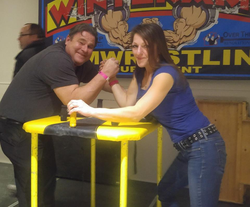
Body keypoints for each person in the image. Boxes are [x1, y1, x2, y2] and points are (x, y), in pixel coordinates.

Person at [67, 23, 227, 207]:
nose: (139, 52)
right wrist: (112, 80)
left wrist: (90, 110)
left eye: (146, 46)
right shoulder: (140, 72)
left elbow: (136, 113)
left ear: (158, 47)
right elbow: (127, 102)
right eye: (135, 46)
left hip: (204, 145)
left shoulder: (166, 74)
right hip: (187, 148)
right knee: (165, 192)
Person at [0, 23, 119, 207]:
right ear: (68, 40)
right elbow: (73, 100)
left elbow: (102, 83)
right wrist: (105, 74)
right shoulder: (57, 58)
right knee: (34, 185)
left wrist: (130, 87)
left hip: (36, 128)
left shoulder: (79, 63)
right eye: (81, 42)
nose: (85, 49)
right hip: (16, 128)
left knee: (46, 177)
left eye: (90, 46)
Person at [7, 23, 47, 194]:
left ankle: (26, 190)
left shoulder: (25, 56)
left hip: (23, 116)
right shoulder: (48, 53)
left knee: (23, 157)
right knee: (41, 158)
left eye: (22, 34)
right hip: (44, 116)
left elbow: (18, 88)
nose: (19, 38)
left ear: (33, 36)